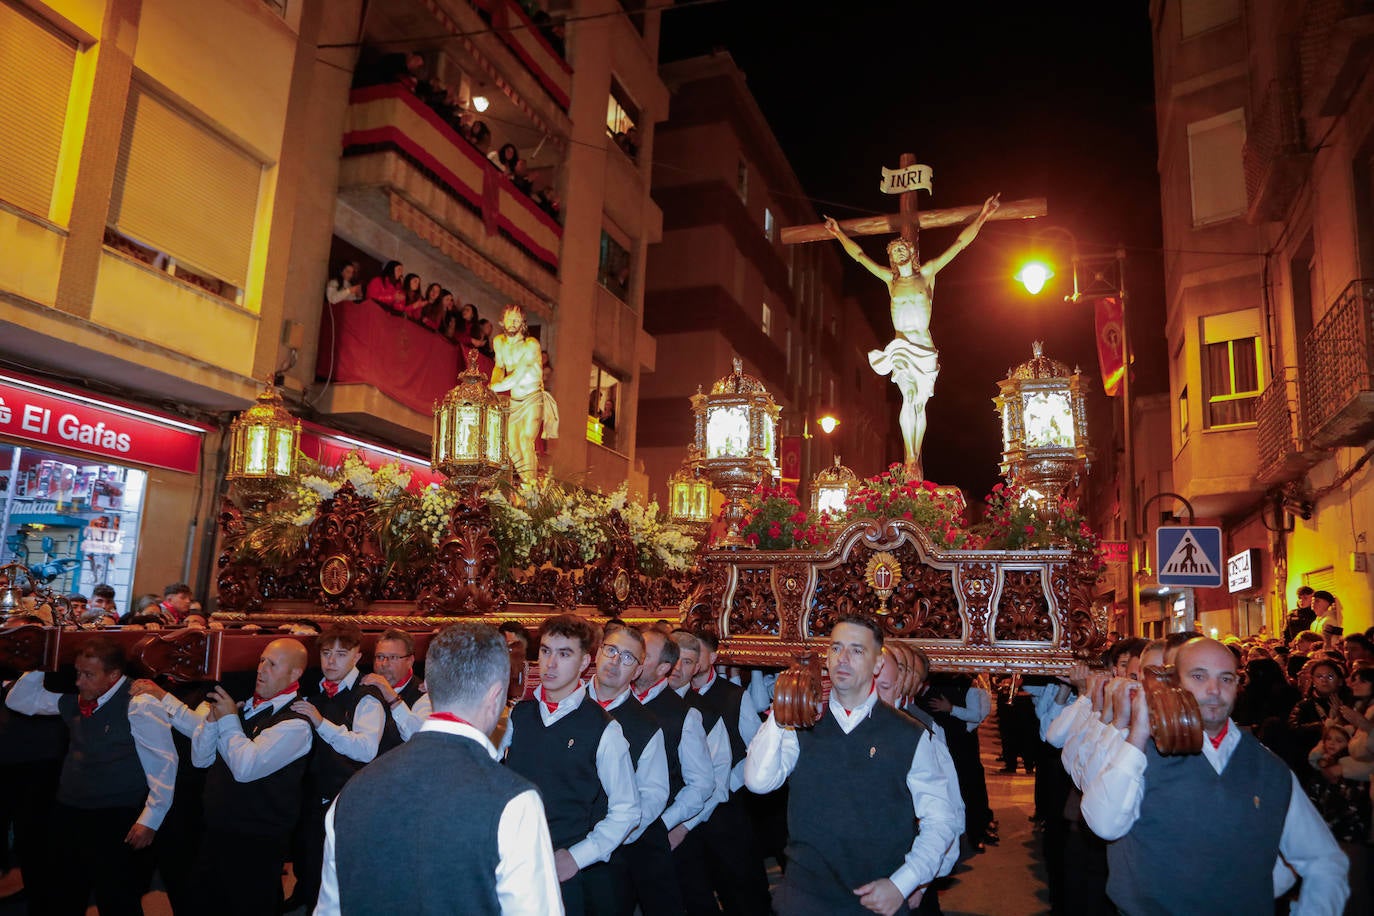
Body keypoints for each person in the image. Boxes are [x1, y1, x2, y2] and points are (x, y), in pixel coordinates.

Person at [1080, 637, 1349, 914]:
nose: (1214, 689)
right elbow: (1104, 824)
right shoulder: (1136, 752)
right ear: (1173, 683)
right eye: (1199, 676)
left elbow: (1323, 860)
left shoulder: (1268, 767)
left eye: (1226, 678)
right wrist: (1137, 734)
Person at [317, 623, 561, 915]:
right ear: (496, 696)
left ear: (429, 688)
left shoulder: (352, 792)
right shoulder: (515, 801)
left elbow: (329, 910)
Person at [744, 616, 961, 915]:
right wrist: (781, 713)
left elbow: (942, 821)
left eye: (857, 650)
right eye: (836, 648)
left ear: (877, 664)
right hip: (805, 895)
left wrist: (903, 883)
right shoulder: (803, 723)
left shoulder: (911, 734)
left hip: (874, 897)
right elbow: (758, 782)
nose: (843, 658)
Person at [822, 194, 999, 479]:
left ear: (911, 252)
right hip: (901, 345)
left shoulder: (926, 274)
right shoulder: (890, 281)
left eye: (902, 249)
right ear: (891, 259)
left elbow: (959, 244)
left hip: (923, 346)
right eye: (894, 252)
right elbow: (859, 257)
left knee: (919, 403)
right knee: (909, 396)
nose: (898, 254)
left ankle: (915, 453)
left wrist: (983, 215)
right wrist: (838, 233)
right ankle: (910, 457)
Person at [5, 638, 177, 916]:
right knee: (64, 894)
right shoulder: (78, 700)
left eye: (88, 675)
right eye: (77, 672)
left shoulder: (139, 703)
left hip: (116, 815)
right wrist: (40, 662)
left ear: (113, 675)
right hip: (69, 810)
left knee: (117, 898)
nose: (78, 682)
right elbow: (20, 701)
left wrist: (151, 819)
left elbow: (164, 763)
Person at [501, 614, 639, 916]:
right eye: (546, 651)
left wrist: (577, 857)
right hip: (511, 862)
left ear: (584, 662)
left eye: (564, 654)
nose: (550, 664)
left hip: (563, 871)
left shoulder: (603, 728)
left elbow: (627, 809)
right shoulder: (517, 715)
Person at [189, 638, 313, 915]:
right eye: (261, 660)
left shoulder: (295, 724)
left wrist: (229, 720)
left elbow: (245, 768)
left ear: (294, 674)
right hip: (218, 831)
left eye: (272, 664)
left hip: (257, 841)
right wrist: (213, 721)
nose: (261, 669)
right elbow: (200, 759)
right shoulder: (247, 708)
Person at [285, 621, 388, 912]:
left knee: (333, 869)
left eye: (341, 654)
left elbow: (365, 750)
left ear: (357, 656)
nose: (331, 661)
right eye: (326, 653)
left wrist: (321, 723)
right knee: (307, 859)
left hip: (346, 795)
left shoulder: (366, 695)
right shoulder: (315, 688)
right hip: (312, 789)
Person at [587, 626, 677, 916]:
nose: (615, 661)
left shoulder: (645, 725)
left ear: (637, 671)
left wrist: (617, 835)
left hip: (615, 851)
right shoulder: (565, 704)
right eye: (611, 650)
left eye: (628, 658)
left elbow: (653, 794)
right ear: (597, 653)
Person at [631, 629, 715, 915]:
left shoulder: (683, 715)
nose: (635, 658)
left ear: (662, 668)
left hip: (658, 837)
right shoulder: (614, 701)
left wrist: (663, 824)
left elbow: (702, 784)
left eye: (644, 654)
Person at [689, 630, 771, 915]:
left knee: (739, 881)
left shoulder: (734, 696)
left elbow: (755, 749)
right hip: (689, 807)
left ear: (713, 657)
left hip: (727, 804)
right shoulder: (677, 695)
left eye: (696, 652)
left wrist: (729, 784)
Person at [490, 305, 560, 480]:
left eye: (517, 320)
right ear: (502, 321)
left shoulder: (531, 345)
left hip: (533, 397)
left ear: (523, 323)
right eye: (509, 319)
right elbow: (499, 367)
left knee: (525, 439)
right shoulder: (499, 342)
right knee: (512, 445)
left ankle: (531, 487)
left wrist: (494, 387)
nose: (513, 323)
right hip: (516, 399)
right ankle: (529, 482)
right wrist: (493, 382)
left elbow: (517, 376)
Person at [360, 628, 429, 752]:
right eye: (380, 657)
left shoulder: (424, 695)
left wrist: (391, 696)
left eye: (393, 657)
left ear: (410, 661)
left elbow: (420, 740)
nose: (384, 664)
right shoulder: (364, 686)